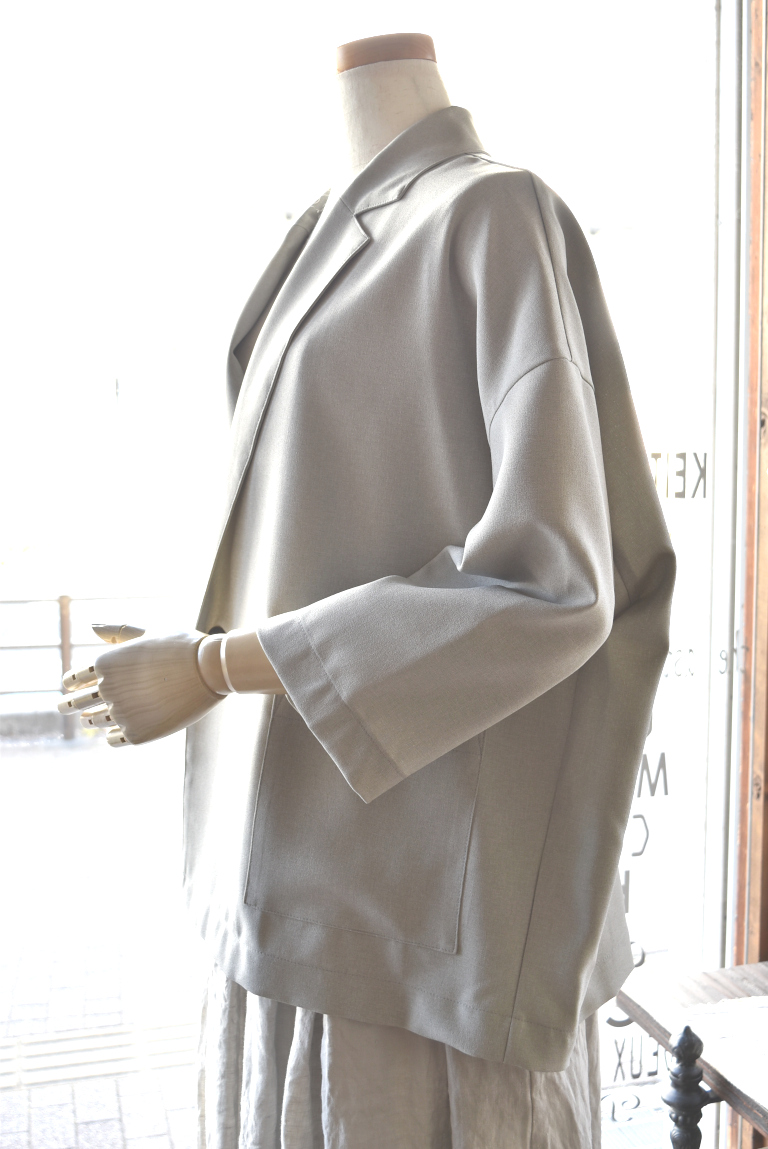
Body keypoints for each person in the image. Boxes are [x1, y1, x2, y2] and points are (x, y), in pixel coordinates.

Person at [63, 32, 675, 1147]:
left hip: (409, 948)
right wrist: (202, 643)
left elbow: (555, 582)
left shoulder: (492, 214)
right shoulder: (313, 237)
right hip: (288, 910)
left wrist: (216, 665)